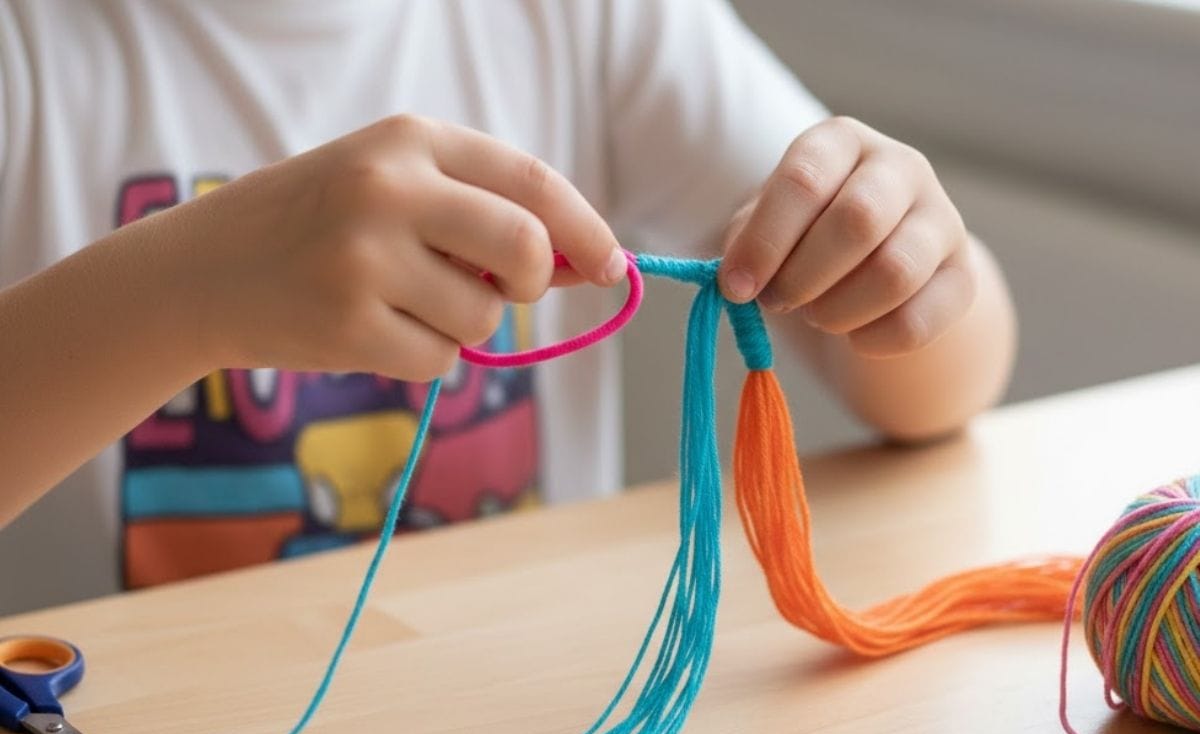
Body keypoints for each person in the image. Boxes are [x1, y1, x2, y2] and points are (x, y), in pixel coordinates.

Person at [0, 0, 1014, 598]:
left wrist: (907, 262)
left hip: (533, 705)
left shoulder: (593, 18)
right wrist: (188, 290)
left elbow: (942, 381)